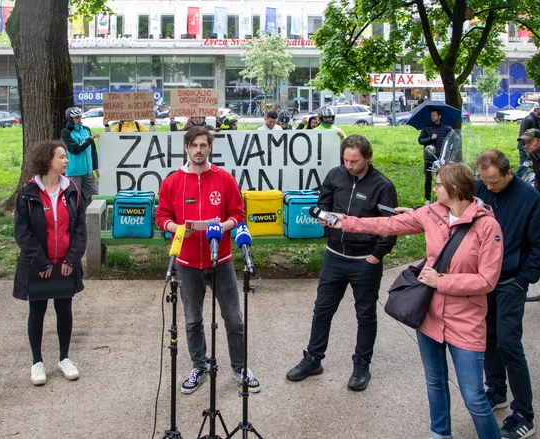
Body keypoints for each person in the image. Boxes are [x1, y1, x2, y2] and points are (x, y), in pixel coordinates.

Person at [329, 163, 504, 439]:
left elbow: (487, 280)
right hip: (429, 314)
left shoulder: (487, 226)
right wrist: (344, 222)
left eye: (438, 185)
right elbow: (386, 224)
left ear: (455, 188)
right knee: (435, 382)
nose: (434, 189)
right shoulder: (431, 214)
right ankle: (440, 433)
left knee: (473, 397)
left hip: (465, 320)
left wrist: (442, 282)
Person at [286, 134, 397, 391]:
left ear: (368, 158)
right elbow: (322, 203)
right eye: (346, 160)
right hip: (334, 255)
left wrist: (377, 255)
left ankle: (361, 365)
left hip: (365, 260)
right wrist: (323, 217)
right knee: (322, 310)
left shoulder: (383, 186)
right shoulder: (335, 176)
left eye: (355, 161)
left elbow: (390, 226)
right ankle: (313, 358)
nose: (349, 165)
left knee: (365, 314)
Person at [155, 127, 260, 394]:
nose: (199, 150)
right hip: (187, 263)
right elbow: (161, 216)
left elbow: (238, 213)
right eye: (194, 146)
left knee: (234, 319)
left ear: (209, 148)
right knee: (192, 321)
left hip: (221, 260)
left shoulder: (224, 178)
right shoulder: (172, 181)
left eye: (203, 145)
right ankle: (199, 366)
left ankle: (239, 367)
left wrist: (224, 226)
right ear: (187, 148)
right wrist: (175, 228)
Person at [475, 150, 540, 439]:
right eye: (484, 181)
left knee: (509, 344)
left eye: (494, 182)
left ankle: (524, 414)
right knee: (488, 338)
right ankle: (496, 390)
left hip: (511, 282)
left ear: (509, 173)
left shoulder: (530, 199)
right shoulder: (479, 188)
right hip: (483, 282)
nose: (489, 187)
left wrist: (522, 281)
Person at [13, 140, 87, 386]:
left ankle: (64, 358)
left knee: (64, 309)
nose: (66, 161)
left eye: (66, 157)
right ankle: (37, 362)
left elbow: (80, 230)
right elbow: (22, 232)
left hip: (65, 264)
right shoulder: (28, 193)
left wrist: (72, 259)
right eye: (62, 157)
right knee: (37, 311)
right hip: (39, 266)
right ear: (47, 161)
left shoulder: (72, 191)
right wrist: (42, 262)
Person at [60, 107, 99, 205]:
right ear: (70, 118)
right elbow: (75, 149)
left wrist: (96, 167)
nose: (79, 119)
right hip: (74, 172)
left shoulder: (86, 130)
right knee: (74, 200)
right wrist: (89, 139)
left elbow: (93, 150)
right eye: (76, 117)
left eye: (80, 117)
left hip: (88, 171)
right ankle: (75, 220)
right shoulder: (66, 133)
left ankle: (92, 219)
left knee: (96, 197)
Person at [417, 108, 452, 204]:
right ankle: (427, 198)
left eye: (434, 115)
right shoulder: (426, 128)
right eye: (431, 116)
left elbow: (452, 141)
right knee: (428, 179)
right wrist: (430, 138)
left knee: (443, 179)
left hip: (442, 159)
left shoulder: (447, 129)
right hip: (429, 158)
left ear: (439, 116)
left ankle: (444, 196)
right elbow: (420, 140)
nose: (432, 117)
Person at [516, 103, 540, 177]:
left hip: (535, 146)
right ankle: (514, 180)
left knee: (534, 165)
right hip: (525, 147)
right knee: (524, 166)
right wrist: (524, 147)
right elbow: (522, 134)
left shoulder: (539, 120)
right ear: (536, 109)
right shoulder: (528, 119)